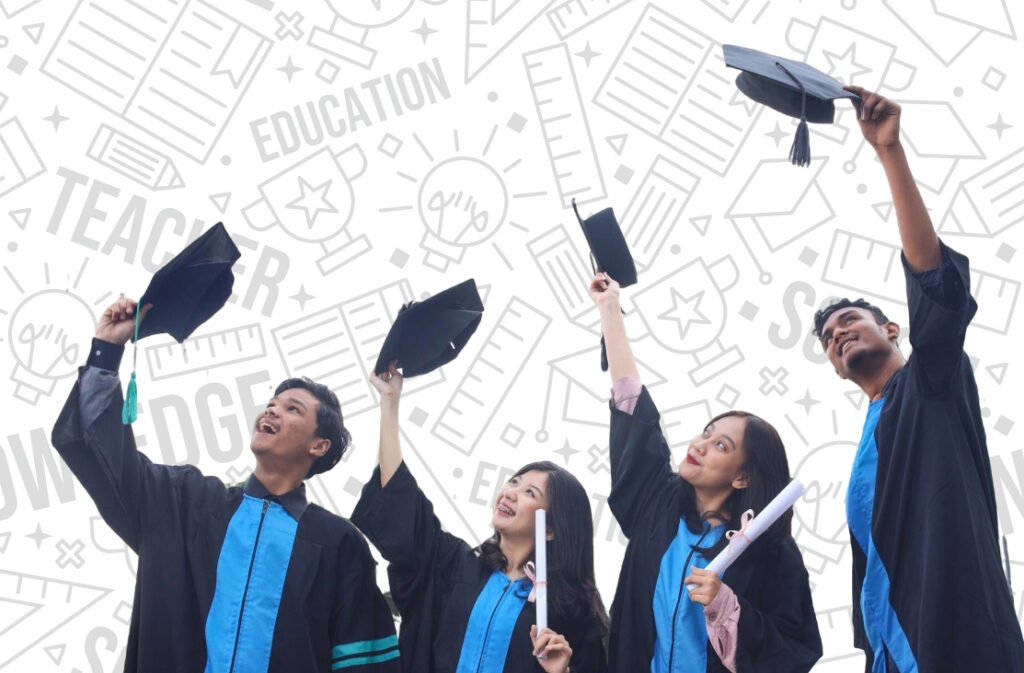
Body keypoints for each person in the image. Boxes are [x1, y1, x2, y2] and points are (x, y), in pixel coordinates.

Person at [51, 294, 400, 673]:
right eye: (272, 403)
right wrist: (107, 350)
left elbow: (364, 663)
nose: (271, 409)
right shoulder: (186, 502)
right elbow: (108, 462)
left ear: (319, 445)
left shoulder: (338, 545)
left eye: (292, 408)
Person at [811, 87, 1024, 673]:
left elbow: (935, 282)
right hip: (889, 650)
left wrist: (889, 154)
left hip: (954, 637)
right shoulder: (868, 442)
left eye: (849, 320)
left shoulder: (930, 383)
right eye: (829, 337)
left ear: (893, 328)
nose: (838, 334)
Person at [589, 274, 821, 673]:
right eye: (707, 433)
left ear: (743, 478)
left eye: (721, 446)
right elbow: (632, 407)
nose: (699, 444)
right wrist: (610, 308)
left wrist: (727, 606)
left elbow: (794, 650)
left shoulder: (771, 552)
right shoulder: (655, 505)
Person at [351, 362, 609, 673]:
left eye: (530, 493)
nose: (510, 492)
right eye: (514, 482)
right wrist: (390, 403)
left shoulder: (574, 613)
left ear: (552, 528)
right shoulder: (452, 565)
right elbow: (401, 502)